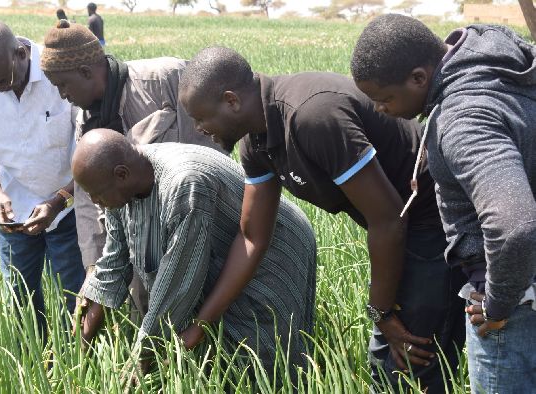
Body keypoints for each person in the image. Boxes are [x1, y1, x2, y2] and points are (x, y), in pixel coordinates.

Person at [178, 46, 466, 393]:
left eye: (201, 118)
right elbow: (252, 238)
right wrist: (199, 326)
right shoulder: (257, 144)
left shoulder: (311, 116)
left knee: (410, 368)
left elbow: (390, 220)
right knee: (391, 367)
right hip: (402, 229)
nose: (199, 128)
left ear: (231, 101)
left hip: (435, 220)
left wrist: (382, 313)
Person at [351, 14, 536, 393]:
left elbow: (514, 224)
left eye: (385, 98)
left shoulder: (463, 119)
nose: (381, 110)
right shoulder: (496, 57)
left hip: (513, 302)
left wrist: (498, 305)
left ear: (419, 78)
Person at [74, 128, 317, 377]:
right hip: (220, 256)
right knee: (213, 355)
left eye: (97, 194)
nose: (95, 201)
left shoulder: (184, 184)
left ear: (121, 175)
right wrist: (90, 314)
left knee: (260, 354)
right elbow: (114, 257)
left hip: (273, 249)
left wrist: (141, 358)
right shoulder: (119, 185)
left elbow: (177, 284)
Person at [39, 21, 224, 316]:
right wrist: (93, 270)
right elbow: (88, 199)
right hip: (141, 245)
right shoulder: (86, 123)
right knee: (155, 325)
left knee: (209, 319)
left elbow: (213, 149)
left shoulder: (165, 79)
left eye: (63, 85)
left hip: (198, 226)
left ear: (86, 72)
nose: (62, 95)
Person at [0, 21, 85, 342]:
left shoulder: (57, 74)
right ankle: (36, 360)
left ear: (21, 53)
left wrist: (61, 199)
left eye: (3, 80)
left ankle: (81, 364)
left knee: (75, 296)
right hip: (14, 215)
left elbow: (90, 147)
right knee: (19, 299)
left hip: (68, 209)